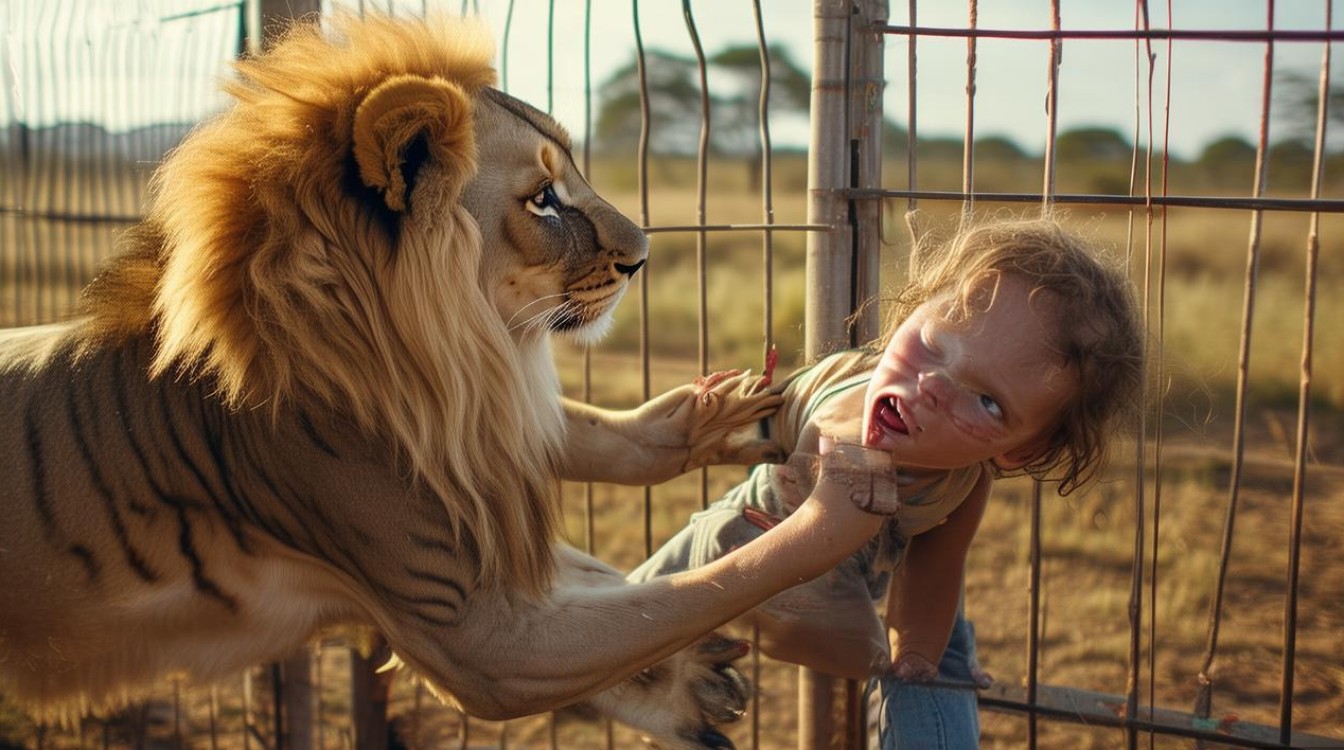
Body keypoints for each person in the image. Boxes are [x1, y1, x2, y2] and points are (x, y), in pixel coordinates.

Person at [628, 217, 1145, 749]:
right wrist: (698, 426)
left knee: (929, 659)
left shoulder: (966, 483)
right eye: (934, 343)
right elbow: (746, 432)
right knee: (626, 616)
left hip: (860, 575)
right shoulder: (843, 425)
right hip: (755, 529)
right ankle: (615, 660)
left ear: (1017, 451)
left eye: (987, 401)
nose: (933, 386)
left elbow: (936, 570)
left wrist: (915, 654)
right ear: (909, 312)